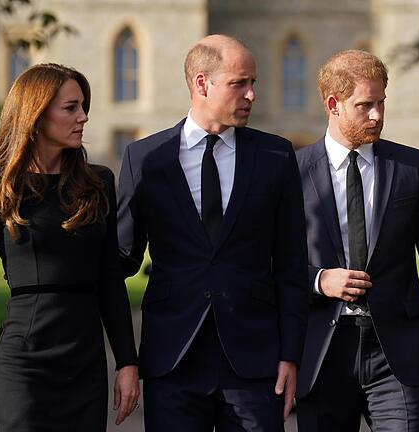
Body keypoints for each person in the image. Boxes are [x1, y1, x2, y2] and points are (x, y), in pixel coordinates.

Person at [116, 34, 308, 431]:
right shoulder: (145, 159)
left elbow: (292, 265)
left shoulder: (276, 156)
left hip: (256, 363)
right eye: (240, 83)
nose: (252, 94)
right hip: (173, 359)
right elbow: (120, 259)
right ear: (202, 84)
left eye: (253, 82)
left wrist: (290, 355)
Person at [294, 49, 419, 432]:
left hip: (395, 354)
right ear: (333, 104)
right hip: (322, 354)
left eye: (381, 103)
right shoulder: (292, 172)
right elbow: (270, 261)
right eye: (365, 106)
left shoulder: (411, 167)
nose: (377, 115)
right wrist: (319, 279)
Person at [0, 63, 139, 431]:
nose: (83, 117)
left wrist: (127, 363)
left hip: (85, 361)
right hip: (24, 361)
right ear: (36, 115)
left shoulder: (98, 183)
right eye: (70, 108)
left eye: (84, 106)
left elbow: (110, 281)